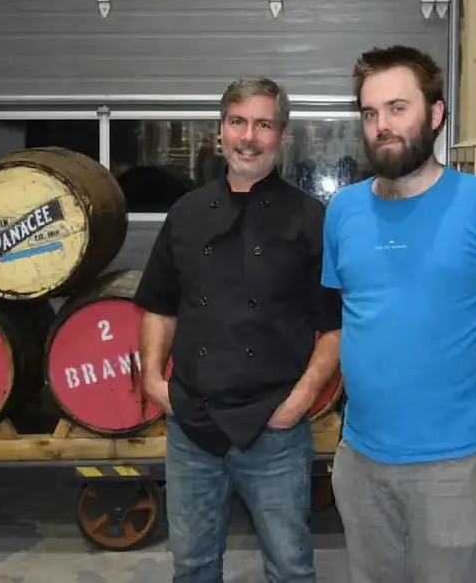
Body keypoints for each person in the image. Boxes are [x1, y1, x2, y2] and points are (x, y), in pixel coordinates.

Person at [321, 44, 476, 583]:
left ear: (436, 114)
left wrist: (474, 378)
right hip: (361, 457)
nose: (382, 126)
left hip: (451, 464)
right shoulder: (344, 211)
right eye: (370, 113)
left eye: (398, 108)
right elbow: (348, 318)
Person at [133, 77, 343, 583]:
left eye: (263, 124)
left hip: (273, 429)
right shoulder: (185, 214)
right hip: (192, 426)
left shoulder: (311, 219)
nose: (249, 137)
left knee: (290, 567)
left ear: (282, 134)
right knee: (194, 567)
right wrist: (153, 382)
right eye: (238, 122)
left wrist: (300, 400)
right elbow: (160, 307)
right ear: (221, 130)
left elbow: (336, 327)